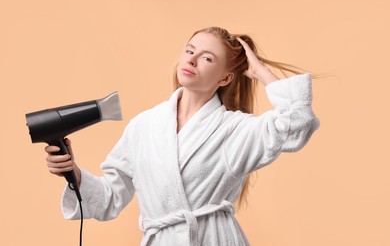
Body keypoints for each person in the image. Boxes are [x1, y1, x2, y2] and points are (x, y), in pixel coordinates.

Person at [45, 26, 320, 246]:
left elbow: (296, 122)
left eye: (207, 58)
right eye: (190, 50)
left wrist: (259, 72)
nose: (192, 59)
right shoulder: (144, 126)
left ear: (225, 78)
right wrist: (74, 174)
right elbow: (109, 198)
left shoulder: (235, 130)